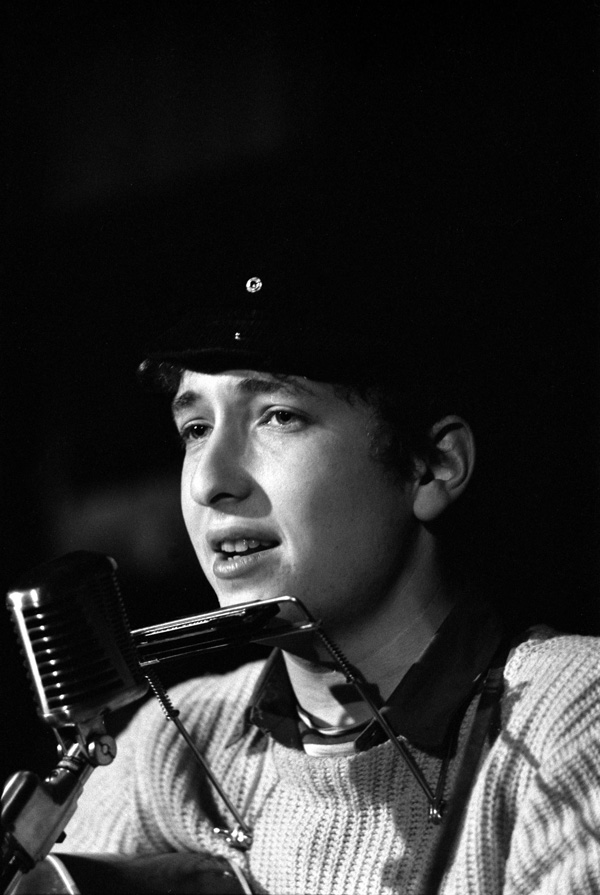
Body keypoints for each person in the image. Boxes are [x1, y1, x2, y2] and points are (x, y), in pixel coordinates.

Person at [46, 267, 599, 894]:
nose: (209, 481)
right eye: (196, 430)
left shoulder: (568, 714)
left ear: (432, 467)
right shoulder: (178, 745)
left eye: (278, 417)